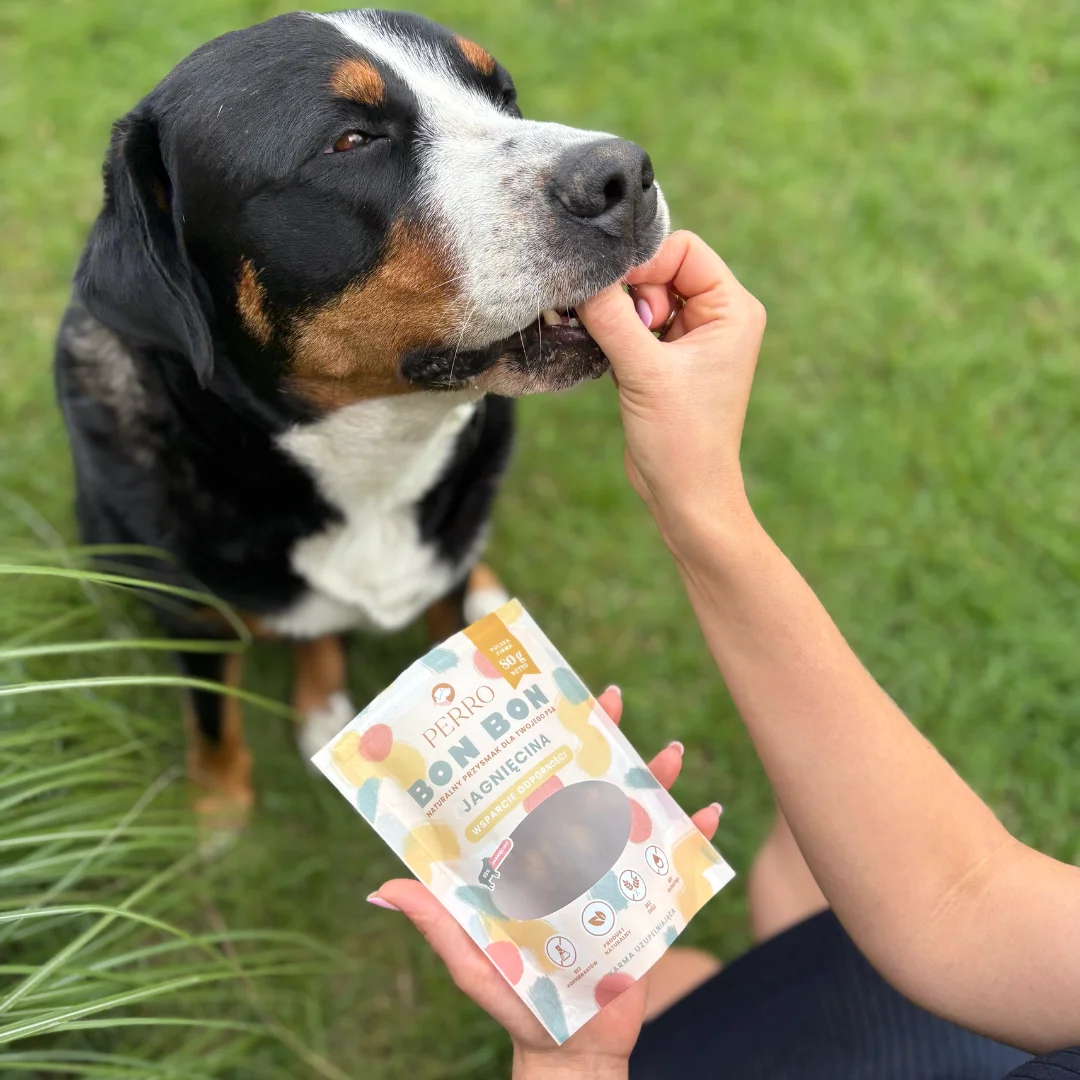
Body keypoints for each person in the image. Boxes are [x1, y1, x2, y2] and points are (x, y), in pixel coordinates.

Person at [365, 232, 1080, 1079]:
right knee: (804, 903)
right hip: (967, 988)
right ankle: (792, 938)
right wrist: (696, 497)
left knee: (687, 985)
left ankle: (762, 960)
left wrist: (575, 1060)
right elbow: (963, 898)